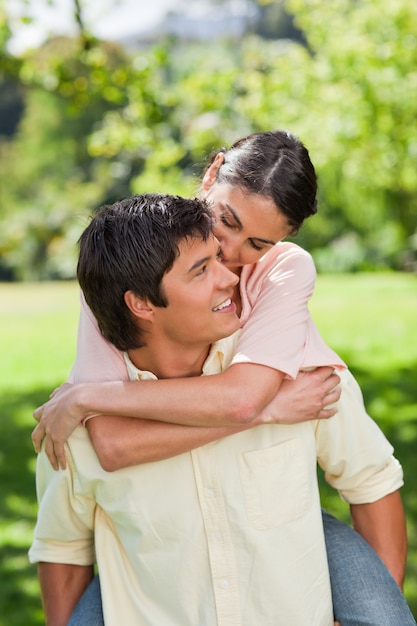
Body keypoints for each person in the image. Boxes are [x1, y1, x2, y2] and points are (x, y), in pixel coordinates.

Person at [31, 132, 416, 625]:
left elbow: (255, 406)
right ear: (211, 174)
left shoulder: (293, 331)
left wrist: (268, 407)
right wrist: (85, 401)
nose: (231, 260)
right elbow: (105, 445)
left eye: (256, 244)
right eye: (225, 223)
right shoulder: (120, 269)